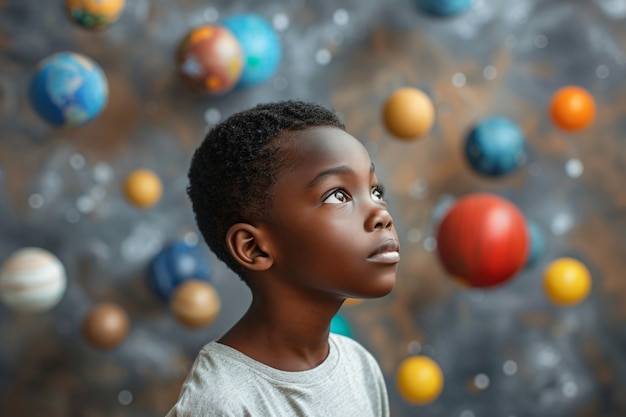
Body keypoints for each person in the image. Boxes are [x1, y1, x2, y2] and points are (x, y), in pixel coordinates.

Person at [166, 100, 400, 416]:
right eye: (338, 195)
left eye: (375, 191)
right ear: (253, 247)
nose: (381, 214)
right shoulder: (223, 402)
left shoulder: (360, 365)